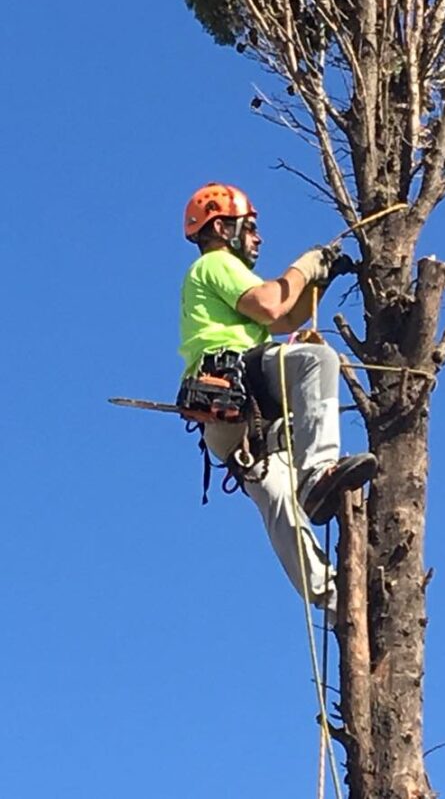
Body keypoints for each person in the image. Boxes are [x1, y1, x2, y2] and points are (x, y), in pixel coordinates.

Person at [179, 183, 377, 625]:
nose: (258, 238)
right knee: (318, 359)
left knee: (277, 500)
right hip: (237, 380)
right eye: (250, 228)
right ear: (222, 228)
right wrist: (305, 267)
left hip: (232, 420)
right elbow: (271, 305)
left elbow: (286, 316)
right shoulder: (216, 264)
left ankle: (335, 599)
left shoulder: (219, 276)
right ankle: (318, 471)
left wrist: (318, 283)